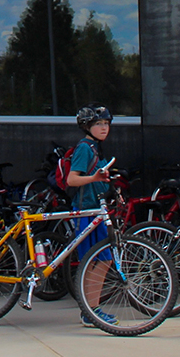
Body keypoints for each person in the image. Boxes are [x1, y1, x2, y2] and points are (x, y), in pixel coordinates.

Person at [64, 105, 115, 327]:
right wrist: (94, 179)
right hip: (85, 211)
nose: (104, 128)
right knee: (90, 261)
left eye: (106, 124)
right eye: (99, 124)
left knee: (104, 259)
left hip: (96, 210)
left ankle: (91, 309)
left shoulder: (95, 148)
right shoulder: (85, 148)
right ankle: (89, 310)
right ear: (87, 126)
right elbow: (71, 180)